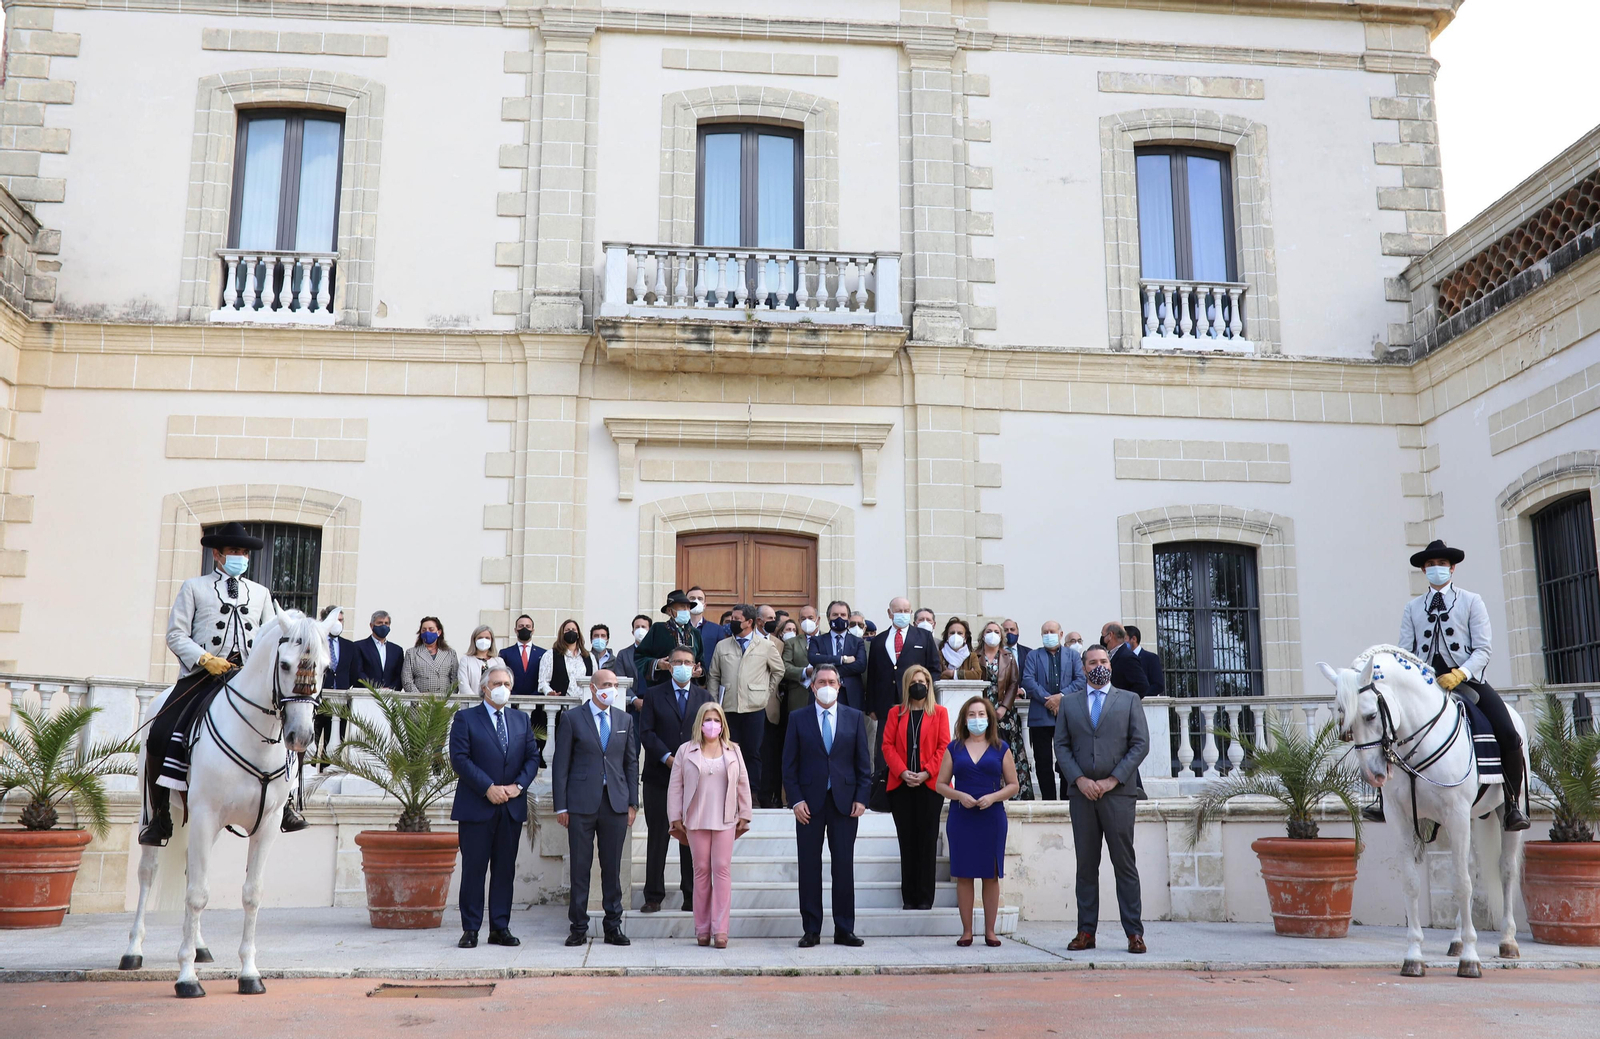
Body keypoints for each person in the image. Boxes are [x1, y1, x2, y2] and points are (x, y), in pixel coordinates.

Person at [141, 521, 291, 846]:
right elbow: (175, 634)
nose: (240, 556)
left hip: (245, 678)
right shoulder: (194, 587)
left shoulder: (261, 594)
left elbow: (269, 637)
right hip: (202, 676)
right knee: (161, 732)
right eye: (234, 551)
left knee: (284, 727)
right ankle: (160, 816)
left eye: (243, 552)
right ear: (217, 554)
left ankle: (287, 802)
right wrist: (205, 658)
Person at [1395, 539, 1529, 831]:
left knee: (1508, 732)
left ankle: (1512, 804)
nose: (1436, 569)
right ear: (1423, 571)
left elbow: (1483, 649)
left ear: (1452, 568)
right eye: (1431, 565)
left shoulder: (1471, 601)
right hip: (1426, 684)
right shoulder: (1412, 608)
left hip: (1467, 680)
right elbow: (1405, 652)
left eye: (1441, 564)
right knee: (1387, 727)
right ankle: (1384, 802)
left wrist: (1460, 673)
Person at [1056, 644, 1150, 954]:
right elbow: (1061, 746)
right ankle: (1086, 932)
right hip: (1081, 796)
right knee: (1086, 865)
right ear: (1083, 668)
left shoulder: (1129, 700)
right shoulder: (1069, 704)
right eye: (1093, 661)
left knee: (1124, 864)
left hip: (1119, 794)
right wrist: (1080, 780)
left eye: (1104, 660)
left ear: (1110, 664)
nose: (1100, 665)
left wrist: (1112, 780)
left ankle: (1134, 933)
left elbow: (1139, 745)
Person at [449, 660, 539, 949]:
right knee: (474, 870)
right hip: (477, 806)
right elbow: (460, 759)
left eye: (507, 685)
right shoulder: (466, 719)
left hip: (511, 807)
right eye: (497, 684)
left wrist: (516, 787)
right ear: (484, 688)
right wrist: (488, 787)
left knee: (504, 870)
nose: (503, 689)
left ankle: (500, 927)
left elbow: (532, 759)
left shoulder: (521, 720)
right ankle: (471, 929)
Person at [782, 663, 870, 947]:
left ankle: (844, 928)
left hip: (845, 803)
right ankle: (811, 929)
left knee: (843, 866)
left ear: (840, 684)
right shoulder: (798, 718)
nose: (827, 686)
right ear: (812, 685)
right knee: (809, 867)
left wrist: (861, 798)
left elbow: (863, 764)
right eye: (821, 681)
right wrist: (795, 799)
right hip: (809, 803)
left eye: (832, 681)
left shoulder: (855, 718)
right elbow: (789, 765)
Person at [552, 669, 638, 946]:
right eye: (606, 685)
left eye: (614, 685)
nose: (611, 689)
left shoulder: (625, 719)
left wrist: (632, 802)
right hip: (580, 803)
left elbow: (631, 763)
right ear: (592, 688)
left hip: (615, 802)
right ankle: (578, 926)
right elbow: (560, 765)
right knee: (580, 866)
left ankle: (613, 926)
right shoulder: (572, 718)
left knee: (612, 868)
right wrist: (561, 806)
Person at [668, 700, 753, 948]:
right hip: (695, 819)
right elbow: (676, 786)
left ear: (723, 724)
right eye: (708, 720)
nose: (712, 725)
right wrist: (675, 816)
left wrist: (745, 813)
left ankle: (721, 930)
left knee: (722, 869)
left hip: (726, 819)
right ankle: (702, 929)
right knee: (701, 871)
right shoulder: (686, 750)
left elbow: (743, 782)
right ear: (700, 724)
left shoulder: (733, 750)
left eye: (716, 720)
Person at [936, 696, 1019, 947]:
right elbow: (940, 784)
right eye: (971, 715)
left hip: (991, 818)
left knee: (991, 875)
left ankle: (990, 931)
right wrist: (959, 795)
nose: (976, 719)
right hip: (962, 817)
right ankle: (967, 931)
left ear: (990, 718)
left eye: (981, 714)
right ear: (964, 719)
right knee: (964, 874)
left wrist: (993, 797)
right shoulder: (954, 748)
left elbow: (1014, 785)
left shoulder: (1000, 748)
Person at [639, 646, 712, 914]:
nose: (682, 665)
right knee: (658, 836)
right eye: (677, 661)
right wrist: (669, 758)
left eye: (687, 662)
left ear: (695, 668)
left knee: (691, 836)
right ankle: (653, 895)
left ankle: (691, 895)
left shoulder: (705, 697)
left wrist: (691, 761)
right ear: (669, 665)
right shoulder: (654, 695)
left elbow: (710, 734)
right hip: (659, 776)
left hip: (695, 779)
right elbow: (646, 732)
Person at [882, 665, 949, 911]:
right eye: (913, 682)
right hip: (901, 785)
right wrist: (902, 771)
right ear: (906, 685)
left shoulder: (940, 713)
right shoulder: (895, 713)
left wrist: (926, 772)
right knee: (907, 840)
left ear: (929, 685)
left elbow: (944, 747)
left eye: (922, 681)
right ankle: (908, 897)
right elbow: (887, 746)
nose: (918, 685)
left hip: (929, 785)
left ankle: (924, 897)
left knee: (927, 841)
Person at [707, 603, 784, 798]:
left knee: (752, 752)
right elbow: (714, 675)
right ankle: (728, 792)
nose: (732, 623)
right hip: (729, 708)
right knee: (727, 751)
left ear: (749, 622)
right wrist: (715, 703)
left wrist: (765, 692)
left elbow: (778, 670)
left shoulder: (766, 646)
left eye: (736, 620)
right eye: (732, 619)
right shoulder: (722, 646)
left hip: (754, 707)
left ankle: (751, 793)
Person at [960, 620, 1032, 800]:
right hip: (981, 711)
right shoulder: (973, 656)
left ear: (1001, 636)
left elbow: (1014, 683)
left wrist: (1003, 707)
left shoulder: (1008, 656)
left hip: (1004, 713)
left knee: (1007, 749)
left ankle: (1015, 794)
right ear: (983, 635)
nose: (992, 634)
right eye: (989, 631)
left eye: (996, 631)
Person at [865, 597, 939, 760]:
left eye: (906, 611)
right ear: (890, 613)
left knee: (914, 747)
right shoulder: (879, 640)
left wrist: (925, 693)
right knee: (885, 751)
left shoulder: (924, 637)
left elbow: (934, 670)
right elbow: (872, 674)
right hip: (886, 705)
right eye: (898, 611)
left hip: (916, 702)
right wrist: (870, 706)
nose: (903, 614)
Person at [1020, 621, 1084, 800]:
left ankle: (1066, 799)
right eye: (1045, 632)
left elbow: (1080, 681)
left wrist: (1060, 697)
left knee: (1066, 759)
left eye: (1052, 631)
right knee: (1043, 761)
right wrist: (1049, 700)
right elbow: (1028, 680)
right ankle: (1048, 800)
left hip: (1067, 715)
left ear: (1061, 634)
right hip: (1040, 716)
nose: (1049, 634)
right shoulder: (1033, 655)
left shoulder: (1073, 656)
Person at [764, 614, 813, 808]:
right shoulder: (784, 645)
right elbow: (782, 668)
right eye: (787, 630)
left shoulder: (816, 641)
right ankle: (782, 796)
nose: (790, 633)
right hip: (784, 704)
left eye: (794, 629)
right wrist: (805, 672)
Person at [313, 604, 356, 768]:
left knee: (336, 739)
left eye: (341, 620)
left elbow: (352, 673)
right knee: (314, 738)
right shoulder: (316, 642)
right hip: (319, 698)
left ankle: (327, 772)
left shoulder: (349, 646)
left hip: (340, 702)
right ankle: (309, 774)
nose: (339, 623)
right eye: (335, 620)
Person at [637, 590, 704, 686]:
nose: (686, 610)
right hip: (663, 687)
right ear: (670, 610)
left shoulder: (695, 633)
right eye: (682, 606)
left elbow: (701, 660)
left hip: (689, 688)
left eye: (688, 607)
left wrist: (700, 671)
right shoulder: (658, 629)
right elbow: (639, 657)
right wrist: (657, 664)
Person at [809, 600, 867, 711]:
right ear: (828, 618)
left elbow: (860, 665)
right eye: (835, 615)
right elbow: (814, 659)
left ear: (849, 618)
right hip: (823, 693)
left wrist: (827, 669)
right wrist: (841, 659)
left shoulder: (857, 642)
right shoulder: (817, 640)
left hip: (851, 695)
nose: (839, 618)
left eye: (843, 615)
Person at [402, 617, 460, 696]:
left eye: (431, 629)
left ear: (438, 632)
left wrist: (448, 698)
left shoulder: (450, 653)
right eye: (424, 630)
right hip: (420, 702)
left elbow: (455, 680)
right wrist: (418, 698)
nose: (427, 632)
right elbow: (407, 680)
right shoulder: (411, 653)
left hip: (444, 703)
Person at [539, 617, 595, 698]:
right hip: (561, 705)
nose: (571, 632)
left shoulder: (589, 656)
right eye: (567, 630)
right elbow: (543, 681)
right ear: (562, 634)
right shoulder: (550, 655)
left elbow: (595, 680)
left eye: (574, 630)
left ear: (578, 634)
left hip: (583, 703)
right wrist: (549, 692)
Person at [353, 609, 404, 691]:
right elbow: (358, 671)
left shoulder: (397, 650)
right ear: (371, 625)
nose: (383, 626)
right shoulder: (358, 646)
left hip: (390, 696)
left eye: (386, 623)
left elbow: (399, 675)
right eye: (380, 623)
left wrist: (390, 689)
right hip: (365, 694)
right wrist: (375, 688)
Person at [687, 585, 728, 680]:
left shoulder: (717, 630)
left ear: (705, 605)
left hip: (707, 681)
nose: (696, 601)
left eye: (700, 598)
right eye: (692, 598)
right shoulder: (679, 628)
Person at [500, 614, 545, 699]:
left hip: (537, 703)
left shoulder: (543, 654)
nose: (524, 629)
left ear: (533, 630)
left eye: (528, 626)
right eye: (521, 626)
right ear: (516, 630)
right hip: (511, 701)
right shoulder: (505, 653)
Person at [1100, 622, 1151, 698]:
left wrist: (1125, 702)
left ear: (1110, 635)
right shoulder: (1113, 654)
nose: (1102, 638)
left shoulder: (1127, 657)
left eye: (1103, 635)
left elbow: (1142, 685)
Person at [1125, 625, 1166, 698]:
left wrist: (1137, 695)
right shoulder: (1122, 659)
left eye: (1124, 639)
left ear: (1133, 639)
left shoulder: (1151, 658)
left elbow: (1158, 685)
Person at [458, 624, 497, 698]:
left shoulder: (498, 661)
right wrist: (475, 701)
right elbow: (463, 685)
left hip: (493, 703)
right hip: (471, 704)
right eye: (480, 638)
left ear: (492, 640)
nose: (484, 640)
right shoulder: (466, 660)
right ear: (474, 640)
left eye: (487, 638)